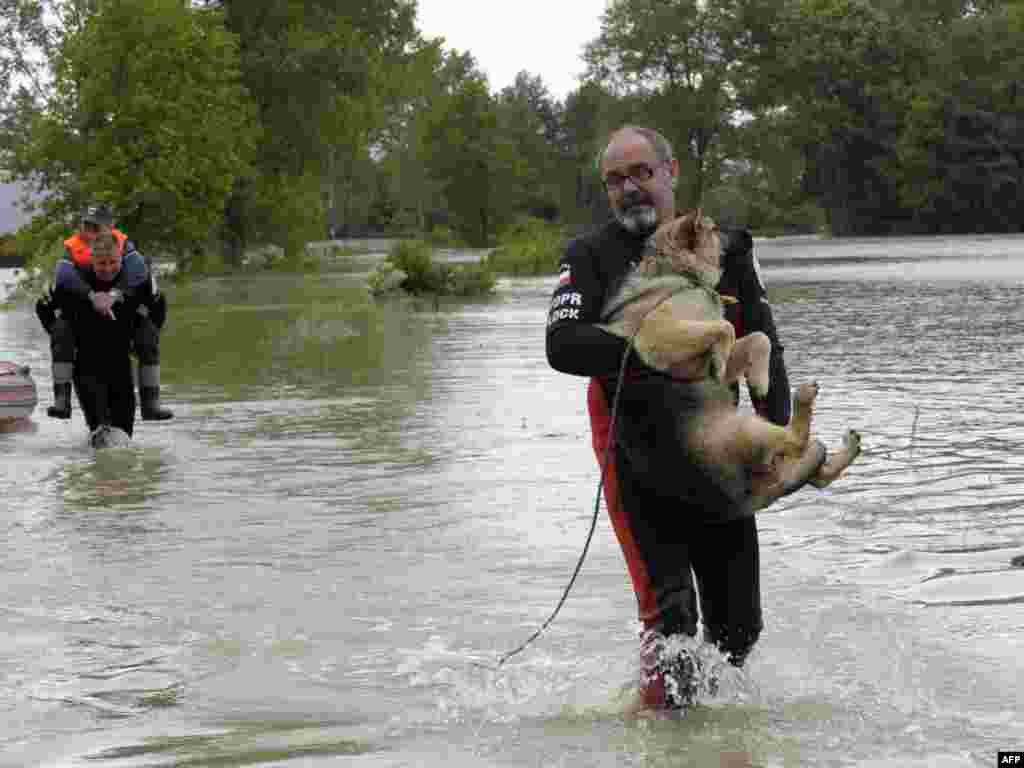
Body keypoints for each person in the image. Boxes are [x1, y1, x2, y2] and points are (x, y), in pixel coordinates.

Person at [545, 125, 792, 711]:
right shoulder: (590, 254)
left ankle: (720, 736)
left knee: (739, 628)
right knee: (673, 621)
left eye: (641, 173)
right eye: (615, 180)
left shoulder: (729, 247)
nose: (629, 189)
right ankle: (663, 735)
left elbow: (764, 338)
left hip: (715, 449)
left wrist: (775, 426)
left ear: (671, 172)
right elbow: (561, 344)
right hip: (635, 453)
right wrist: (650, 351)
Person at [36, 204, 173, 421]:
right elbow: (47, 301)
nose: (90, 233)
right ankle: (62, 400)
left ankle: (151, 403)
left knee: (148, 335)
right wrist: (62, 337)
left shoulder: (133, 260)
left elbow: (157, 305)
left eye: (96, 228)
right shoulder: (70, 263)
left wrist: (144, 337)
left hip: (120, 345)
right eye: (86, 226)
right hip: (86, 347)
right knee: (61, 331)